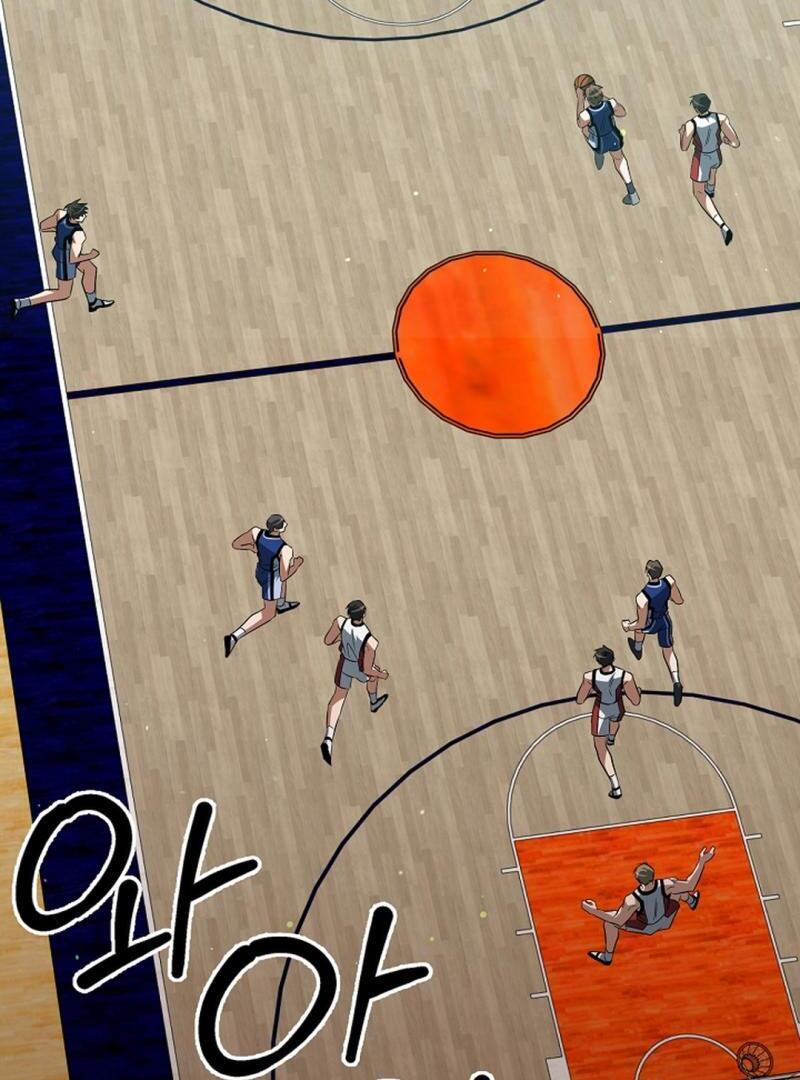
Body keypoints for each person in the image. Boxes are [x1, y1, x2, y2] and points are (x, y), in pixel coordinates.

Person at [582, 847, 716, 965]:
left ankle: (607, 956)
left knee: (609, 923)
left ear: (637, 879)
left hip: (647, 927)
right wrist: (702, 861)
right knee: (675, 886)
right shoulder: (666, 884)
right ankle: (691, 901)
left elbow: (618, 921)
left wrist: (593, 911)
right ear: (653, 874)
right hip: (666, 920)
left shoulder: (632, 900)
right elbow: (690, 885)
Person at [11, 199, 114, 316]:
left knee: (90, 269)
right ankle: (22, 303)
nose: (85, 216)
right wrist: (91, 255)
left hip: (59, 251)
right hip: (66, 261)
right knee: (63, 293)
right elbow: (73, 260)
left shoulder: (60, 213)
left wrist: (60, 233)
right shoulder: (79, 235)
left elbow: (43, 227)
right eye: (83, 215)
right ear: (76, 217)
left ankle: (93, 302)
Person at [224, 514, 303, 657]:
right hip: (271, 582)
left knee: (279, 571)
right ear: (277, 529)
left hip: (260, 572)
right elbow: (284, 576)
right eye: (283, 523)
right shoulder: (286, 550)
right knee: (268, 613)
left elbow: (236, 544)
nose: (286, 524)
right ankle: (234, 636)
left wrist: (253, 548)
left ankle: (281, 604)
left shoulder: (256, 532)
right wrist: (296, 565)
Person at [320, 600, 389, 767]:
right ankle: (373, 702)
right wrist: (382, 675)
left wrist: (344, 639)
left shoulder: (340, 622)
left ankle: (328, 737)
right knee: (374, 675)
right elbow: (367, 669)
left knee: (338, 697)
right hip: (358, 667)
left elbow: (328, 641)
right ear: (363, 615)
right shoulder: (370, 641)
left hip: (344, 663)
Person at [576, 646, 641, 799]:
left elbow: (579, 699)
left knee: (600, 748)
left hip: (601, 711)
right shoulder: (626, 676)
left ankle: (615, 785)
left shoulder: (589, 677)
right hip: (617, 708)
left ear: (598, 661)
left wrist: (592, 690)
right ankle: (611, 737)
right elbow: (636, 701)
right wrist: (638, 691)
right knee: (615, 720)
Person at [679, 93, 740, 245]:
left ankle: (722, 225)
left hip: (701, 159)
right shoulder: (721, 118)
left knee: (698, 192)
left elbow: (684, 147)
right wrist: (725, 141)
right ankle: (711, 189)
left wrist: (682, 133)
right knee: (713, 170)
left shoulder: (691, 125)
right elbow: (735, 143)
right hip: (716, 155)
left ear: (695, 108)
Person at [623, 560, 684, 706]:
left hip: (651, 623)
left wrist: (628, 627)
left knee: (638, 628)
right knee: (669, 652)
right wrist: (666, 595)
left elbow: (641, 623)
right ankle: (676, 681)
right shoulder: (669, 581)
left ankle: (638, 648)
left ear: (647, 573)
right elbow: (679, 600)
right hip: (665, 621)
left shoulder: (642, 597)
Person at [576, 83, 640, 205]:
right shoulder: (610, 103)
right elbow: (622, 113)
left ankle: (597, 151)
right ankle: (632, 194)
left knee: (584, 130)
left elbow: (580, 123)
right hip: (613, 137)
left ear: (588, 99)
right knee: (619, 159)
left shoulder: (586, 114)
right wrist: (605, 98)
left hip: (599, 143)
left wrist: (580, 100)